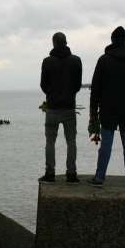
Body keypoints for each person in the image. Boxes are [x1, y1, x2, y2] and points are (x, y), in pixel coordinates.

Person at [88, 26, 125, 186]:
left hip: (108, 108)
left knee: (106, 143)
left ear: (112, 40)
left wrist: (93, 112)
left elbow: (95, 88)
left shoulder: (104, 60)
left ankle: (99, 177)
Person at [39, 32, 82, 183]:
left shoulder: (47, 62)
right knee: (71, 141)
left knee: (50, 142)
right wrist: (69, 94)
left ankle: (50, 173)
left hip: (52, 107)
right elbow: (77, 85)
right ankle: (71, 173)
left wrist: (51, 94)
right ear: (66, 42)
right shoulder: (76, 61)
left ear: (53, 43)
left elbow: (43, 85)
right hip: (69, 107)